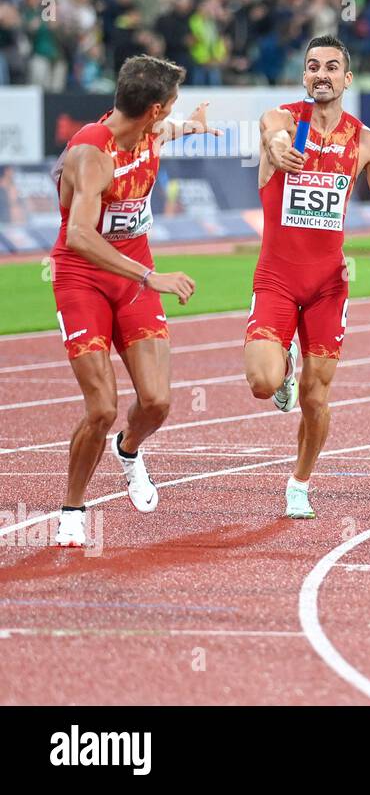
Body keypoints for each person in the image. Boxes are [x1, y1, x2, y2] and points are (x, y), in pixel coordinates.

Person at [244, 36, 370, 519]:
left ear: (347, 79)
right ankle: (282, 362)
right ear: (304, 77)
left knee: (316, 396)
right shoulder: (285, 121)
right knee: (263, 384)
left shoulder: (366, 142)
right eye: (312, 67)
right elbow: (272, 132)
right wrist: (280, 147)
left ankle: (300, 483)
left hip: (329, 285)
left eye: (331, 67)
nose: (320, 74)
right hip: (278, 279)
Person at [50, 55, 217, 547]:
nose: (170, 118)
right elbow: (80, 235)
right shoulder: (91, 153)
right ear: (154, 108)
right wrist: (151, 275)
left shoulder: (149, 130)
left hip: (131, 286)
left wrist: (195, 127)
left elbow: (168, 131)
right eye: (171, 110)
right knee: (101, 408)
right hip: (84, 281)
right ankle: (72, 508)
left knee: (157, 402)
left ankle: (128, 450)